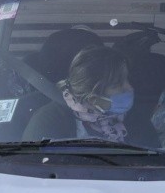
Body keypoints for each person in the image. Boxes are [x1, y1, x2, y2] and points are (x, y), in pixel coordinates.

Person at [24, 44, 153, 144]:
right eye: (118, 84)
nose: (129, 88)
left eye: (127, 79)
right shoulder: (48, 121)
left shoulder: (133, 117)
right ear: (93, 99)